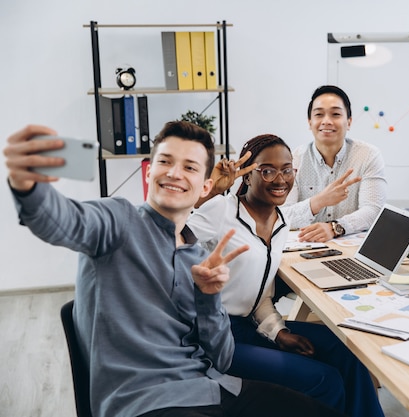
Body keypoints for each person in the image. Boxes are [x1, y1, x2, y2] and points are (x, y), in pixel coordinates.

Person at [4, 122, 347, 417]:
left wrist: (209, 296)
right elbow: (63, 221)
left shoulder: (197, 255)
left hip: (212, 389)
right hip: (146, 402)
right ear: (149, 171)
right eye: (165, 162)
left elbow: (222, 356)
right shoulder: (117, 220)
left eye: (190, 167)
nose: (174, 173)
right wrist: (28, 187)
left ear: (205, 186)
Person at [187, 134, 384, 417]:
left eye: (287, 169)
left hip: (248, 326)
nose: (280, 179)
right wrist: (209, 195)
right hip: (215, 335)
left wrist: (278, 331)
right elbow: (171, 238)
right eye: (266, 170)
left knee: (348, 354)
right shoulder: (222, 209)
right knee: (325, 380)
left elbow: (261, 297)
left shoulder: (281, 221)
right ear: (247, 175)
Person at [282, 85, 387, 243]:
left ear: (349, 122)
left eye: (336, 114)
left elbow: (373, 210)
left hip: (351, 252)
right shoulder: (294, 159)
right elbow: (282, 215)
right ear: (310, 122)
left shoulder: (368, 155)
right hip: (305, 248)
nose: (327, 121)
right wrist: (318, 201)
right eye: (319, 114)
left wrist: (335, 227)